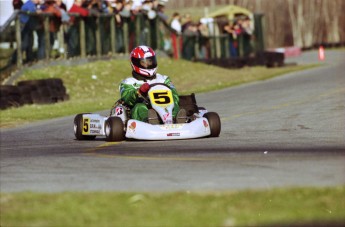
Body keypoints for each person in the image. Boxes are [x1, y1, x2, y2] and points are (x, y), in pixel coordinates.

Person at [119, 45, 186, 124]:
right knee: (139, 107)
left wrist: (172, 101)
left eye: (150, 61)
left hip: (166, 107)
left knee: (175, 105)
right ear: (135, 63)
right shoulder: (128, 82)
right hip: (147, 108)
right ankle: (149, 121)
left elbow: (174, 94)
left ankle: (176, 119)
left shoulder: (164, 79)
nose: (148, 64)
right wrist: (139, 91)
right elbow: (127, 98)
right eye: (144, 62)